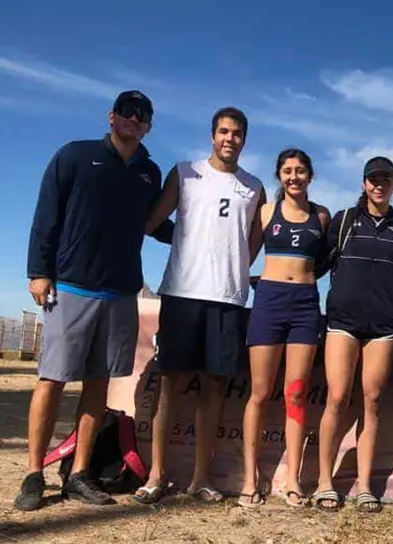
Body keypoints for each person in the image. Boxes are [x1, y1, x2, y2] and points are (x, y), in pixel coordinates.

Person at [15, 90, 174, 511]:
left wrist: (203, 237)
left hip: (122, 291)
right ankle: (34, 474)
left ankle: (80, 473)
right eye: (127, 112)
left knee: (98, 385)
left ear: (149, 126)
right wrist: (39, 271)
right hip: (71, 285)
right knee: (51, 379)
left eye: (142, 115)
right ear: (111, 116)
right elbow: (46, 214)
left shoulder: (149, 173)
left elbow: (154, 225)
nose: (133, 120)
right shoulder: (75, 156)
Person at [133, 106, 266, 506]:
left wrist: (238, 267)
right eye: (223, 131)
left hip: (226, 298)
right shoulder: (185, 172)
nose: (230, 139)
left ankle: (201, 477)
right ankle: (157, 474)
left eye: (237, 133)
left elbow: (254, 238)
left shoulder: (254, 186)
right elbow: (151, 220)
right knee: (171, 382)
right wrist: (184, 241)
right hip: (182, 293)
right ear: (212, 136)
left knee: (215, 387)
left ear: (244, 139)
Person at [312, 155, 393, 513]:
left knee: (372, 401)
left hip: (384, 327)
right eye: (373, 179)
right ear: (363, 183)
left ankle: (365, 487)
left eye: (386, 180)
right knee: (338, 398)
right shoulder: (343, 221)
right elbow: (315, 265)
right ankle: (325, 483)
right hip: (342, 322)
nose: (379, 185)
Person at [237, 148, 330, 508]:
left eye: (301, 171)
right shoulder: (264, 212)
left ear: (310, 176)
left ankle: (292, 479)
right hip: (269, 302)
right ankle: (249, 479)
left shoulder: (321, 216)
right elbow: (244, 255)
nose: (294, 177)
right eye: (288, 171)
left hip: (305, 305)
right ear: (279, 176)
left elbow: (322, 263)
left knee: (295, 393)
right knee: (259, 392)